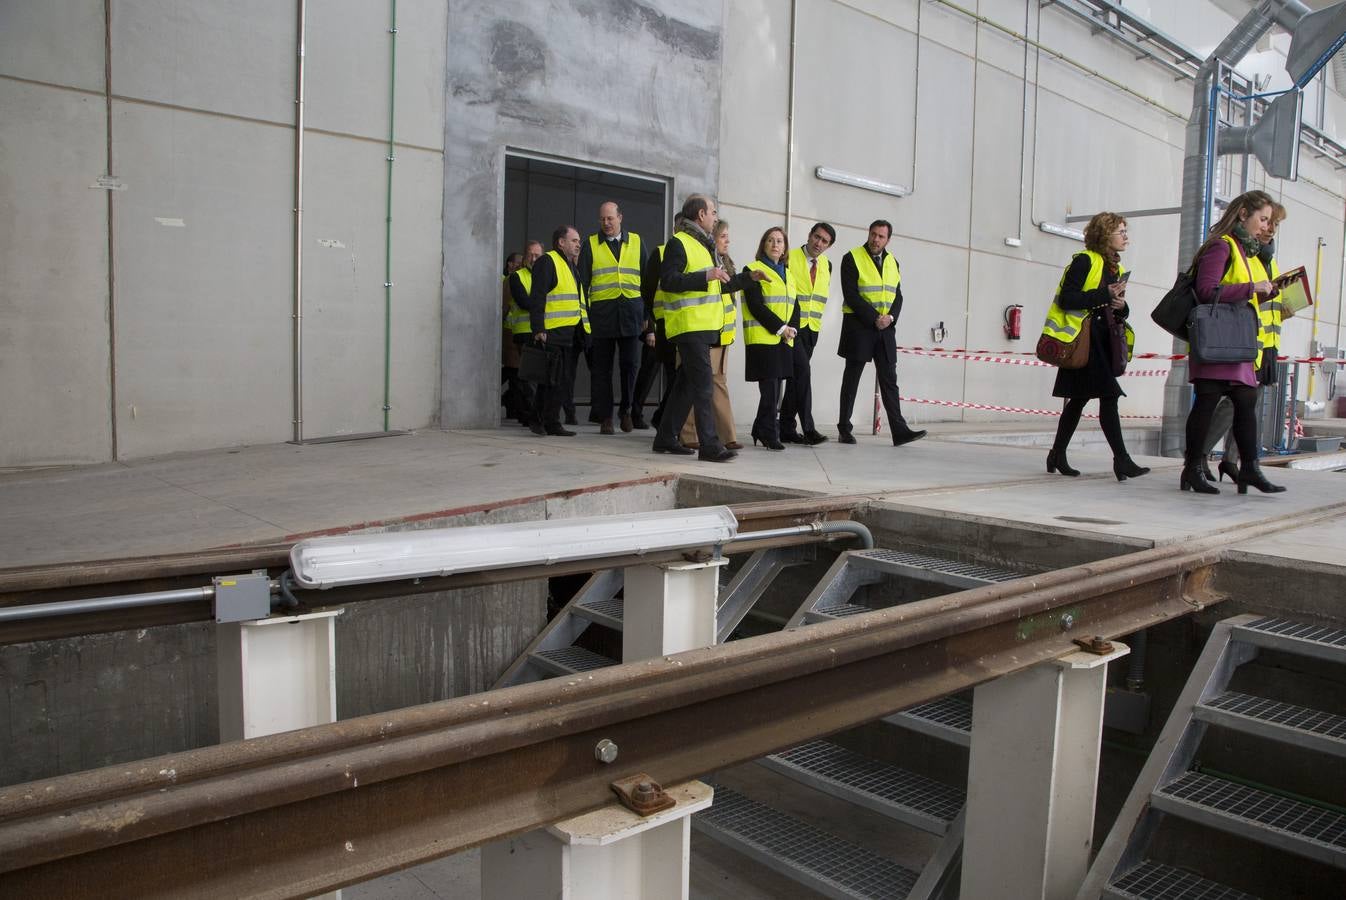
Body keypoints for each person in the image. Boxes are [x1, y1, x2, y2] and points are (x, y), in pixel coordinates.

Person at [1181, 190, 1285, 495]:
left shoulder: (1248, 252)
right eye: (1262, 218)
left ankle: (1250, 468)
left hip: (1237, 341)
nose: (1265, 226)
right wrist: (1252, 287)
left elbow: (1241, 292)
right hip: (1216, 341)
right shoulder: (1221, 246)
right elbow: (1206, 290)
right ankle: (1192, 468)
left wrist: (1264, 292)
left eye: (1268, 220)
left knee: (1246, 402)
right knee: (1207, 403)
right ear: (1243, 214)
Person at [1041, 213, 1149, 482]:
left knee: (1078, 400)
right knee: (1109, 396)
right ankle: (1121, 460)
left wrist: (1122, 306)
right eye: (1120, 231)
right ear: (1104, 235)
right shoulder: (1085, 261)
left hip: (1101, 341)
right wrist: (1105, 295)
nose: (1126, 237)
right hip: (1084, 341)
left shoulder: (1113, 267)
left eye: (1125, 231)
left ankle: (1057, 453)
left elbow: (1112, 306)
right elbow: (1067, 299)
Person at [652, 195, 760, 462]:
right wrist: (706, 275)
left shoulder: (704, 246)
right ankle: (710, 446)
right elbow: (669, 281)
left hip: (703, 327)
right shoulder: (679, 242)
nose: (715, 216)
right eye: (712, 211)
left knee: (686, 385)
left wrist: (747, 279)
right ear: (701, 214)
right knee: (703, 386)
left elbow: (718, 285)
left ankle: (665, 437)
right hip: (689, 326)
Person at [835, 220, 927, 447]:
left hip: (885, 330)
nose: (876, 239)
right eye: (873, 234)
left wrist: (891, 317)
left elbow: (898, 296)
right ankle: (844, 429)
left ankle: (900, 431)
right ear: (868, 233)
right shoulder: (851, 258)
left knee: (889, 381)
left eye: (881, 236)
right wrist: (875, 318)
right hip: (859, 327)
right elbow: (851, 294)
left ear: (888, 239)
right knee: (852, 380)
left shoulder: (893, 262)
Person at [579, 202, 647, 434]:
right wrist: (585, 319)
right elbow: (583, 284)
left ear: (620, 218)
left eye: (610, 218)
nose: (606, 223)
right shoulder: (590, 244)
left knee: (630, 367)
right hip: (602, 317)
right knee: (601, 370)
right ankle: (606, 416)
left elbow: (647, 282)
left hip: (631, 315)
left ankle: (626, 411)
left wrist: (647, 316)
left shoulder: (637, 242)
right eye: (602, 219)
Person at [679, 218, 742, 451]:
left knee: (714, 382)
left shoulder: (725, 262)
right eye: (723, 235)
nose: (727, 240)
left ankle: (726, 435)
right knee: (699, 383)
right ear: (712, 238)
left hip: (721, 331)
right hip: (700, 328)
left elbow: (728, 290)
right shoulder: (704, 259)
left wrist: (748, 279)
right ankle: (689, 434)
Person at [741, 227, 799, 450]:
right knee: (770, 389)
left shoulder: (788, 273)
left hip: (784, 339)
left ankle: (759, 427)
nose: (776, 245)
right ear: (763, 244)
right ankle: (768, 432)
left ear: (785, 247)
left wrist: (791, 328)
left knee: (775, 389)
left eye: (780, 241)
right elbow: (756, 306)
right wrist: (781, 328)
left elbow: (795, 305)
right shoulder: (752, 269)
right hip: (763, 337)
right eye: (771, 240)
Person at [524, 226, 585, 437]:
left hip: (568, 333)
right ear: (561, 242)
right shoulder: (548, 262)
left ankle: (552, 421)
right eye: (574, 240)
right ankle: (538, 419)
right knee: (548, 380)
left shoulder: (570, 266)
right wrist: (538, 328)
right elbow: (538, 296)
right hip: (551, 332)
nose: (578, 244)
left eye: (579, 241)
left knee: (560, 381)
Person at [780, 222, 835, 444]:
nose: (818, 243)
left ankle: (785, 427)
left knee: (796, 380)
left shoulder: (827, 265)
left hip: (812, 330)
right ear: (809, 235)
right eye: (817, 237)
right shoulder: (790, 257)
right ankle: (809, 428)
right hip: (793, 328)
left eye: (824, 241)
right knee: (803, 374)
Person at [637, 214, 685, 430]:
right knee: (663, 373)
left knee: (678, 377)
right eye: (680, 226)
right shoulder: (661, 252)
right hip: (664, 324)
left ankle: (661, 417)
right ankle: (642, 413)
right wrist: (652, 324)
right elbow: (647, 290)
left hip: (686, 325)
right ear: (674, 228)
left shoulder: (699, 253)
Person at [503, 246, 540, 425]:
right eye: (530, 255)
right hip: (523, 332)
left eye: (537, 255)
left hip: (543, 332)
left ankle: (531, 413)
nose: (534, 258)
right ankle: (528, 415)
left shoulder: (544, 275)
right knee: (527, 378)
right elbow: (524, 302)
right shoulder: (517, 277)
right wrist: (543, 303)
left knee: (535, 378)